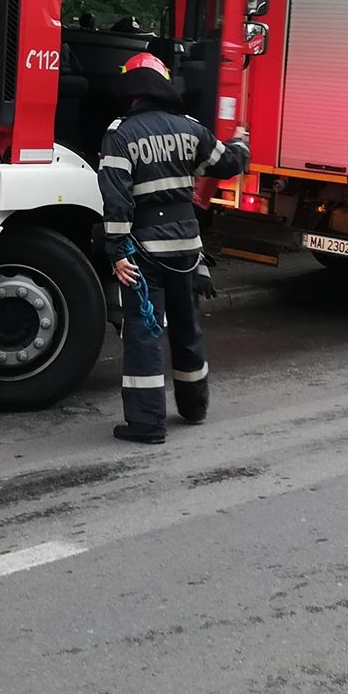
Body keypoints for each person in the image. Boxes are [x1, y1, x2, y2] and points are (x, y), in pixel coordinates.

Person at [98, 52, 249, 444]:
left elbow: (117, 201)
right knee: (187, 327)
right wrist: (240, 141)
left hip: (144, 252)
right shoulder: (191, 128)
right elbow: (228, 164)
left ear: (131, 89)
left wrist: (117, 252)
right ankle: (194, 406)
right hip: (187, 250)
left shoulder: (120, 134)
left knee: (144, 333)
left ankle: (147, 423)